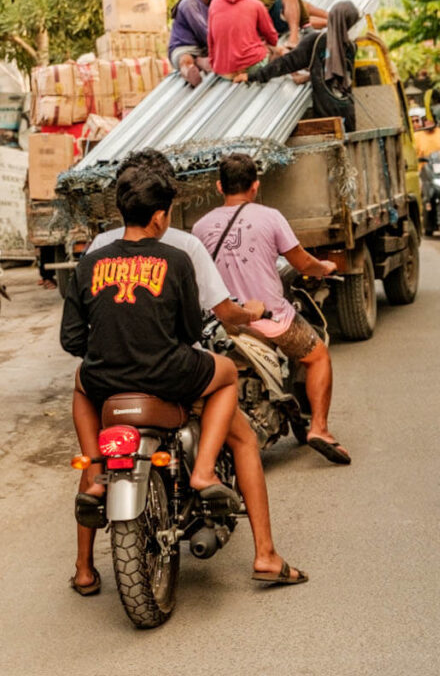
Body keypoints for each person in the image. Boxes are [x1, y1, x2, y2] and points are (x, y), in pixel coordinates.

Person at [68, 152, 307, 594]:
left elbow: (73, 338)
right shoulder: (182, 249)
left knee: (85, 408)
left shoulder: (94, 253)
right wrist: (248, 311)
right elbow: (209, 322)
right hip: (173, 373)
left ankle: (84, 566)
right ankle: (260, 547)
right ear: (161, 210)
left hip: (108, 380)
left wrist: (104, 352)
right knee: (243, 435)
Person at [192, 152, 351, 466]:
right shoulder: (271, 217)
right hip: (269, 320)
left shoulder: (199, 227)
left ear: (219, 186)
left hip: (221, 321)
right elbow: (301, 262)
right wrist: (325, 268)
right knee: (318, 355)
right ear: (255, 186)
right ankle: (319, 428)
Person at [234, 0, 360, 133]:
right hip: (348, 112)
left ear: (332, 17)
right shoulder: (351, 47)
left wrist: (252, 76)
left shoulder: (315, 41)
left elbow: (285, 64)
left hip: (326, 118)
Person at [207, 0, 279, 79]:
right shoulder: (256, 4)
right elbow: (273, 38)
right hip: (252, 66)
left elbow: (211, 39)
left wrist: (214, 65)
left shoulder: (214, 3)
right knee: (277, 51)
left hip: (224, 71)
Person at [168, 0, 220, 87]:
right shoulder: (189, 4)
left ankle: (199, 60)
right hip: (185, 47)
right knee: (185, 60)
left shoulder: (214, 3)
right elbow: (203, 31)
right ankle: (191, 67)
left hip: (205, 47)